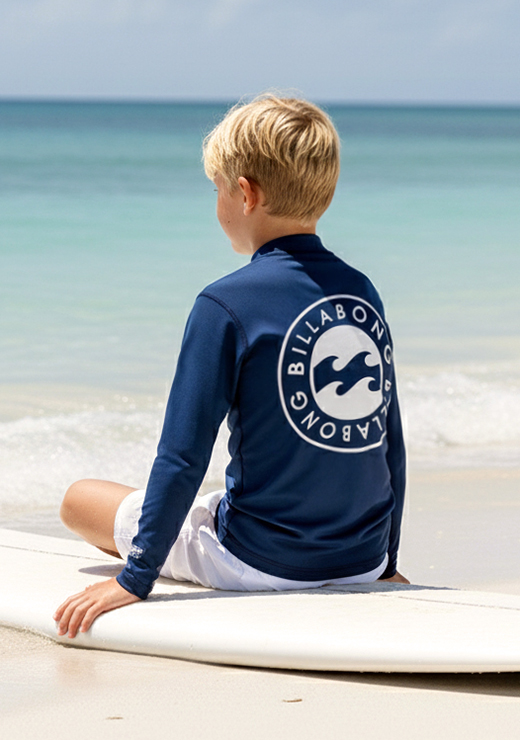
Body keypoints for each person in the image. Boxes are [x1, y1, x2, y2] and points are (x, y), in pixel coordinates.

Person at [54, 94, 409, 639]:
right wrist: (384, 564)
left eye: (217, 189)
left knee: (79, 500)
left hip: (256, 562)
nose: (217, 204)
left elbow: (183, 453)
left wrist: (136, 577)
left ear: (246, 194)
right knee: (219, 499)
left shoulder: (225, 303)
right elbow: (389, 442)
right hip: (359, 558)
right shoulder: (362, 293)